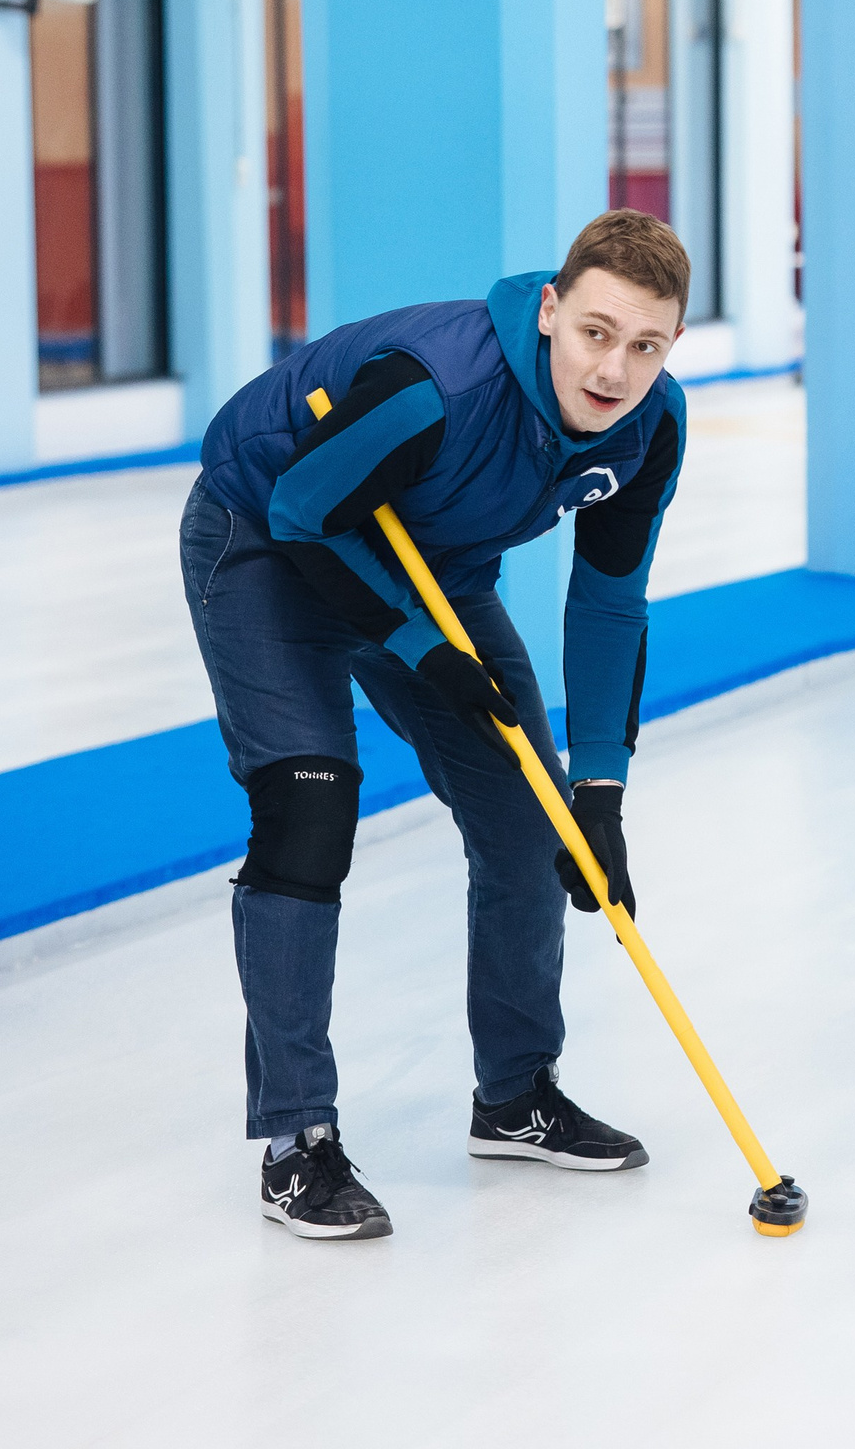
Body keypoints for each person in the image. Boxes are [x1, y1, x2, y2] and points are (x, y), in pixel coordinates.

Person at [182, 209, 691, 1238]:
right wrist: (422, 654)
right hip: (268, 545)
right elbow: (303, 510)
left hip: (433, 566)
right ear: (552, 311)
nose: (614, 370)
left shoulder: (651, 429)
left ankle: (516, 1093)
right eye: (597, 332)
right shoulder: (435, 388)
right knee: (309, 807)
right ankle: (297, 1142)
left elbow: (608, 604)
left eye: (646, 346)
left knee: (530, 818)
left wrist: (598, 789)